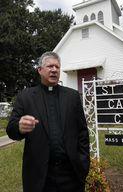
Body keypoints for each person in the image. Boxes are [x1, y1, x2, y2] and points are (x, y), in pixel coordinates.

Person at [6, 51, 90, 192]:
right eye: (50, 66)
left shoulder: (72, 96)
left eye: (57, 67)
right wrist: (19, 127)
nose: (54, 70)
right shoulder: (26, 96)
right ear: (39, 70)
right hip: (40, 176)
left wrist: (83, 162)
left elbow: (82, 132)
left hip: (71, 174)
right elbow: (11, 130)